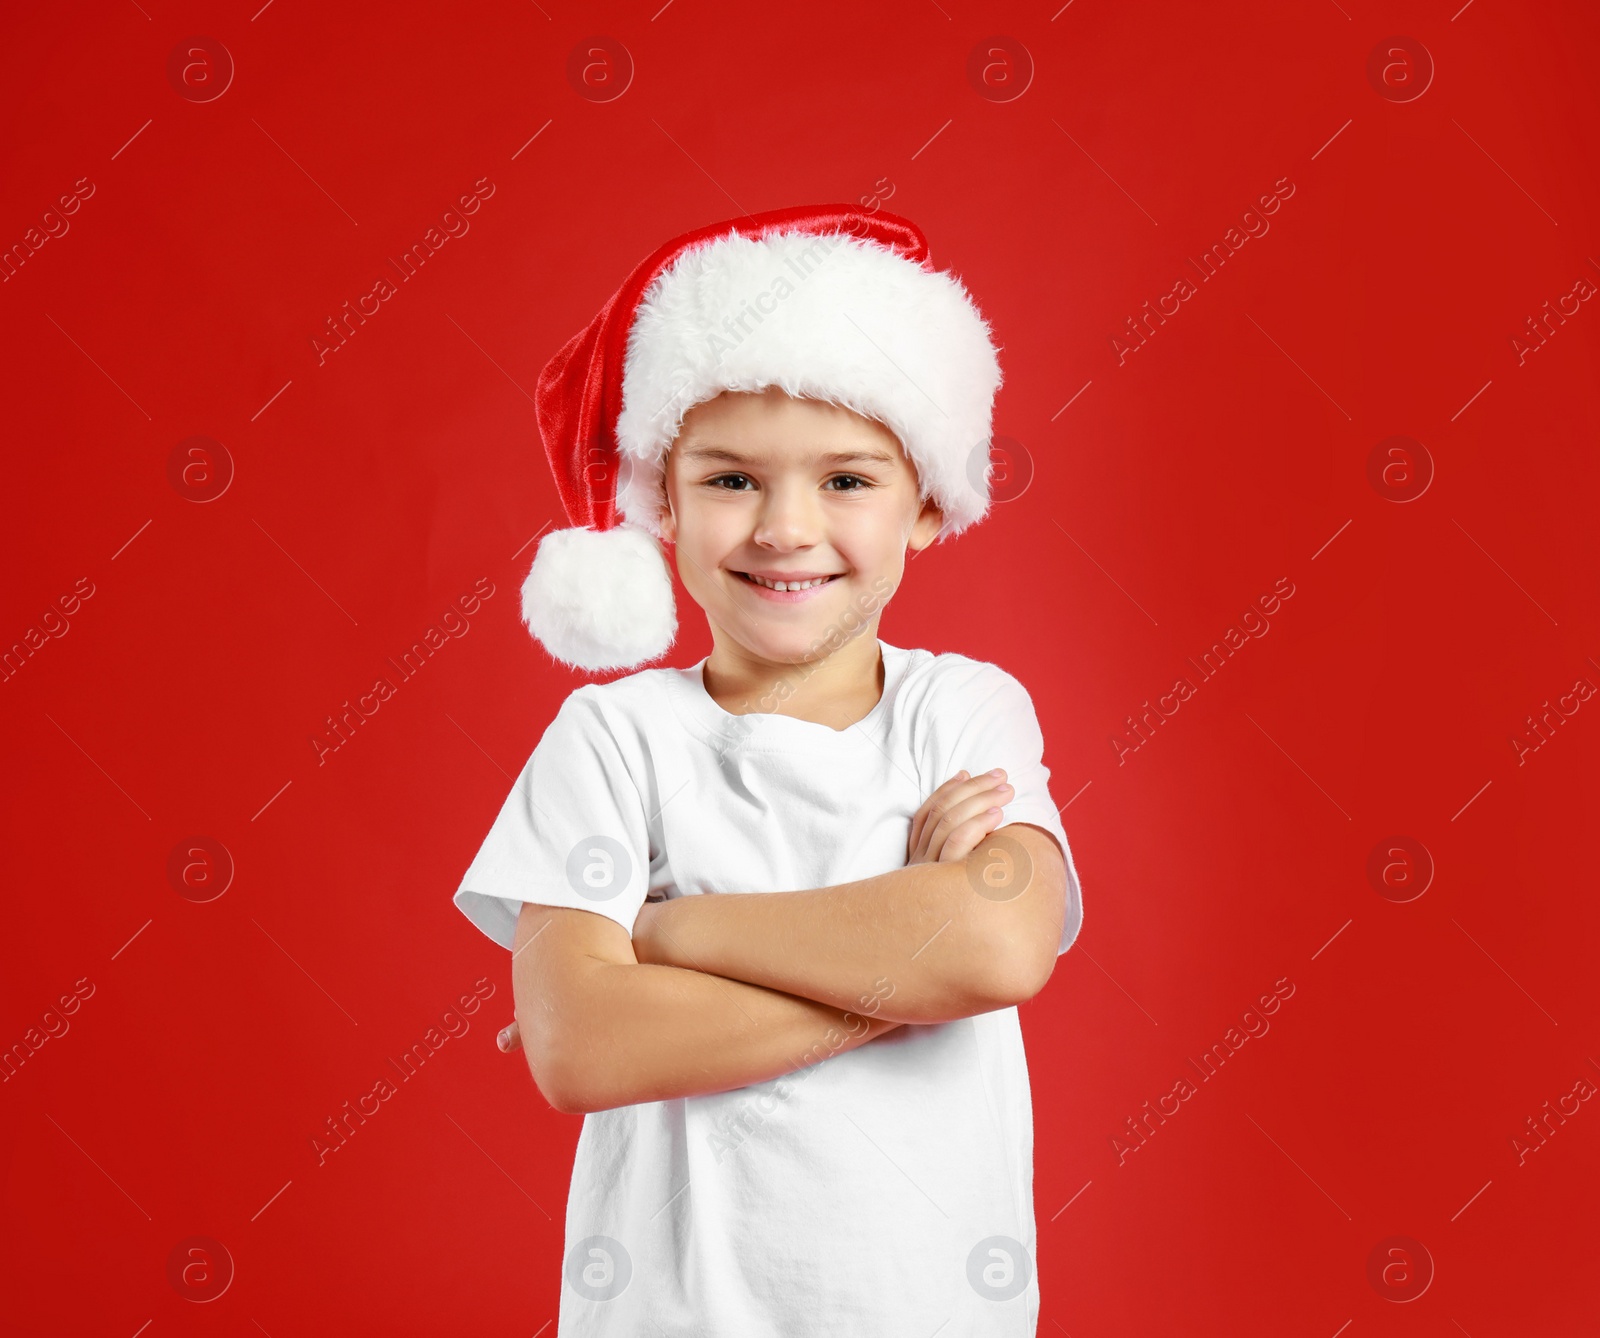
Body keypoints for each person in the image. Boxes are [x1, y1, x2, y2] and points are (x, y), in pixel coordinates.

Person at [452, 203, 1085, 1335]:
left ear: (928, 503)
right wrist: (904, 975)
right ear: (662, 501)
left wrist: (662, 935)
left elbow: (992, 943)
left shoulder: (960, 710)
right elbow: (581, 1047)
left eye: (846, 481)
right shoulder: (612, 741)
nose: (786, 530)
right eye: (731, 480)